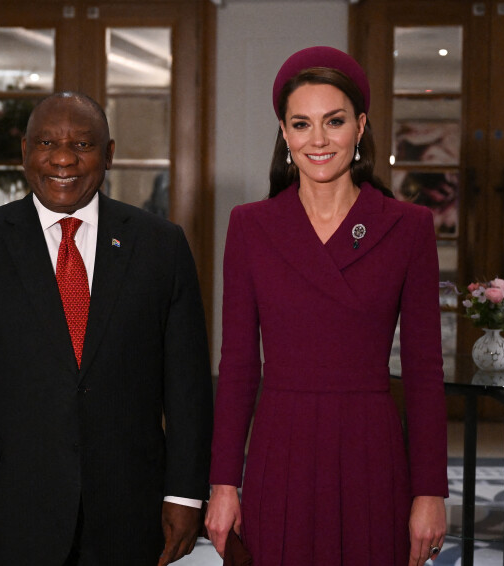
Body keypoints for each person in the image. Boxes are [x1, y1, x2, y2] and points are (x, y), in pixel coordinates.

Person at [0, 92, 213, 566]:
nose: (63, 158)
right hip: (10, 508)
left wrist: (185, 494)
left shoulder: (161, 246)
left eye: (83, 144)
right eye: (47, 142)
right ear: (26, 152)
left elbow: (188, 386)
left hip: (128, 508)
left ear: (109, 153)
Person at [205, 46, 448, 566]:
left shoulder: (407, 228)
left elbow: (425, 371)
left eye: (333, 121)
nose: (318, 140)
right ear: (284, 133)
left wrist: (431, 492)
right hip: (281, 446)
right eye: (301, 124)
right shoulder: (251, 227)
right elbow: (239, 367)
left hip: (370, 448)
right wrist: (224, 483)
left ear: (360, 127)